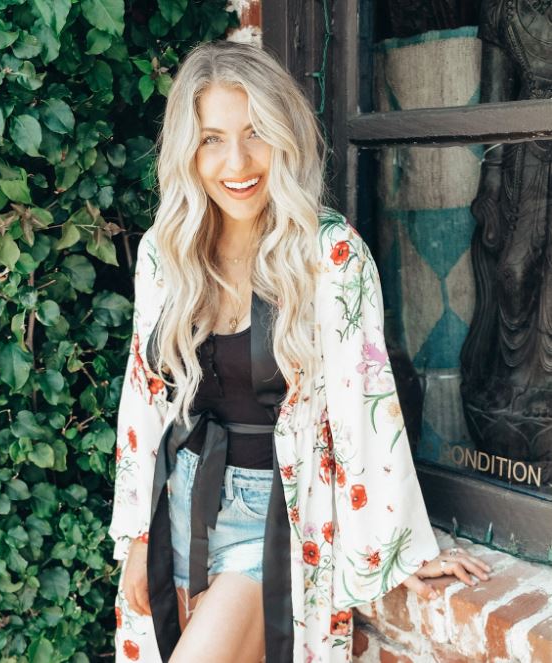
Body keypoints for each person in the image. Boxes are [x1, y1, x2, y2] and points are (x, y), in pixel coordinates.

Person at [109, 40, 491, 663]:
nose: (238, 161)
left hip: (275, 520)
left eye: (256, 133)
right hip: (177, 505)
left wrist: (399, 550)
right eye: (212, 139)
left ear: (284, 136)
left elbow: (364, 405)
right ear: (187, 149)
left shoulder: (329, 255)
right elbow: (145, 398)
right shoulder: (165, 251)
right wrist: (135, 535)